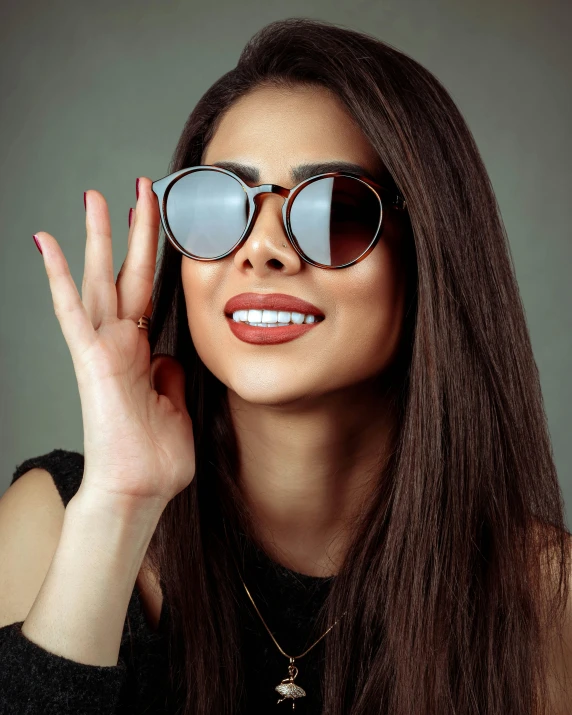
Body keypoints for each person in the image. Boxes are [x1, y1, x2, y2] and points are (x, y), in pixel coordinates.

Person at [0, 15, 570, 715]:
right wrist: (118, 509)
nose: (262, 248)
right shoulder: (53, 524)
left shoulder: (549, 601)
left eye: (336, 209)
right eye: (218, 206)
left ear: (430, 258)